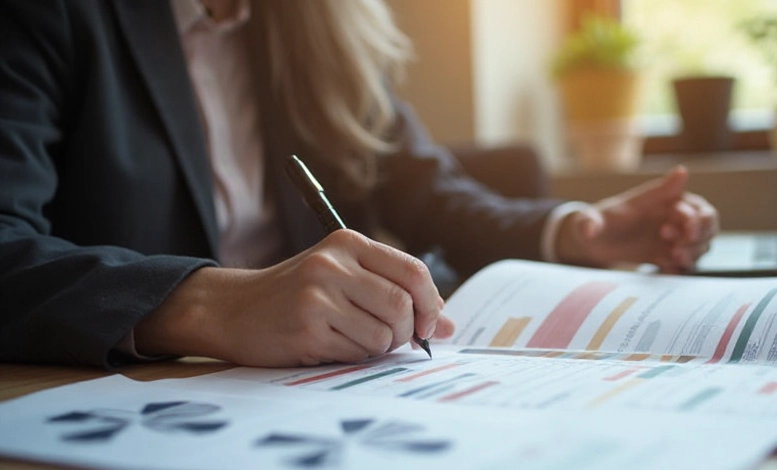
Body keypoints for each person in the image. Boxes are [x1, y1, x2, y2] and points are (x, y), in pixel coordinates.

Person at [0, 0, 718, 369]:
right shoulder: (48, 15)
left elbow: (428, 191)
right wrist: (210, 305)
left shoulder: (317, 27)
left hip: (312, 392)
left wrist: (577, 230)